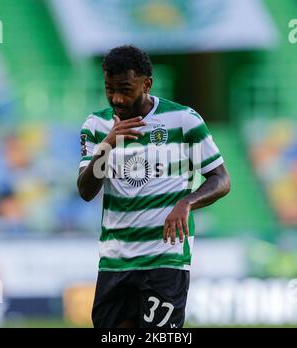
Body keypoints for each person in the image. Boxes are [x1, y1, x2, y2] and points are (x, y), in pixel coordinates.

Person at [77, 45, 230, 328]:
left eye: (125, 88)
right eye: (109, 89)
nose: (116, 98)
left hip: (165, 258)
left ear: (146, 83)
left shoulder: (183, 120)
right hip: (116, 261)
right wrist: (107, 145)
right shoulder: (96, 125)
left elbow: (221, 179)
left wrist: (187, 203)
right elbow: (86, 191)